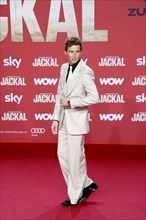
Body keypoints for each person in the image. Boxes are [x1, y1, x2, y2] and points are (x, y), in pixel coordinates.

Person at [51, 36, 99, 206]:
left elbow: (95, 97)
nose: (74, 55)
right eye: (71, 52)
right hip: (64, 119)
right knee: (62, 156)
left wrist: (72, 102)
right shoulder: (63, 68)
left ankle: (75, 195)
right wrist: (56, 117)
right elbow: (59, 94)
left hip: (77, 121)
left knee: (75, 159)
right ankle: (87, 184)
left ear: (81, 52)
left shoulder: (86, 71)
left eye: (77, 52)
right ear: (65, 52)